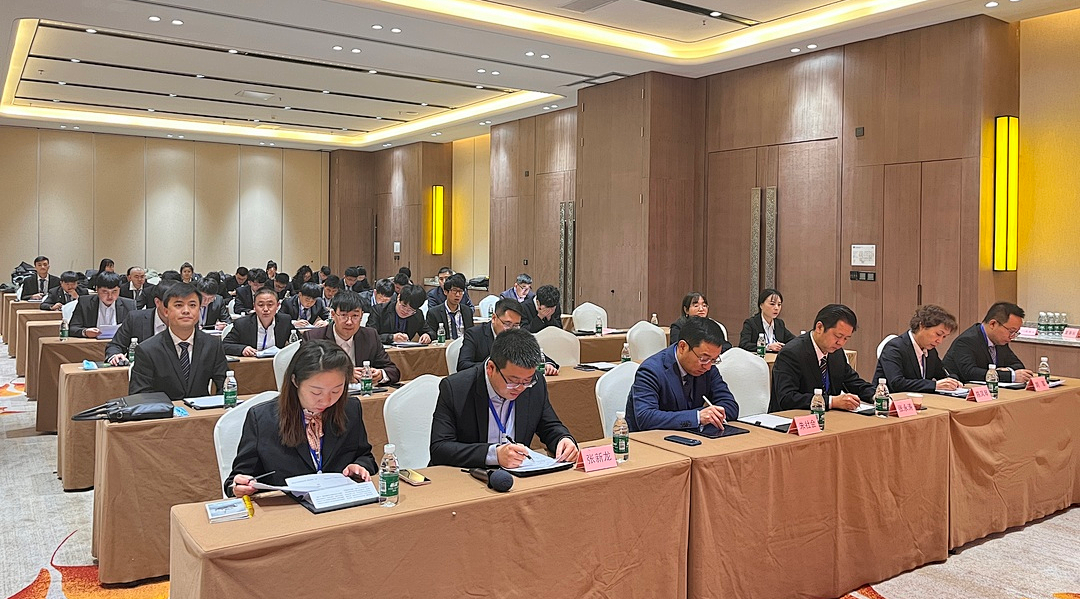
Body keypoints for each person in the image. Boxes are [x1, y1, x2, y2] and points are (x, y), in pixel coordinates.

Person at [227, 340, 377, 496]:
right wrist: (239, 486)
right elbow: (237, 479)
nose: (326, 400)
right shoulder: (262, 418)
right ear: (295, 381)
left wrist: (359, 466)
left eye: (336, 391)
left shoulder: (350, 409)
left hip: (339, 502)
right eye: (316, 392)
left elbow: (365, 456)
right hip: (288, 507)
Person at [429, 328, 579, 468]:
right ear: (491, 368)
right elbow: (440, 448)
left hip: (518, 474)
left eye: (527, 381)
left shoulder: (535, 384)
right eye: (513, 381)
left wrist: (563, 439)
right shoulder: (456, 388)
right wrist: (494, 455)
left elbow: (549, 426)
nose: (520, 387)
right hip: (468, 474)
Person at [625, 318, 739, 431]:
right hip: (650, 440)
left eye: (714, 360)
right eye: (704, 359)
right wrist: (697, 417)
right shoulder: (651, 370)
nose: (708, 366)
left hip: (692, 437)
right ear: (682, 347)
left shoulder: (709, 368)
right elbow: (646, 418)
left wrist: (709, 414)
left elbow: (730, 406)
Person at [128, 282, 228, 399]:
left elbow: (225, 386)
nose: (186, 311)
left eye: (192, 305)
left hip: (201, 409)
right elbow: (139, 395)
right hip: (164, 410)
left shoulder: (213, 345)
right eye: (179, 305)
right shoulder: (147, 350)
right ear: (166, 311)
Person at [770, 304, 875, 412]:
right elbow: (787, 398)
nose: (840, 343)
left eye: (846, 338)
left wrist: (875, 395)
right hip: (790, 418)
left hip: (828, 417)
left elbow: (853, 382)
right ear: (819, 327)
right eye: (838, 336)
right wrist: (831, 401)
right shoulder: (791, 353)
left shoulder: (836, 353)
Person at [303, 291, 400, 384]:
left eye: (355, 316)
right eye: (344, 315)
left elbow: (392, 371)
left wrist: (380, 374)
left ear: (361, 316)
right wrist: (344, 375)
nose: (349, 322)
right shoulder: (314, 338)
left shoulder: (370, 336)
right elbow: (304, 372)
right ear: (333, 315)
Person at [874, 304, 962, 393]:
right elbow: (897, 383)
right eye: (938, 334)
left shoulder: (930, 351)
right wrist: (934, 385)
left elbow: (942, 374)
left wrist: (952, 381)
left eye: (944, 337)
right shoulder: (894, 347)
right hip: (891, 399)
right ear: (922, 326)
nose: (939, 341)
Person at [943, 302, 1034, 384]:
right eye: (1011, 331)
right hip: (963, 391)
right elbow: (970, 373)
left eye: (1015, 333)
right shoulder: (966, 341)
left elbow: (1018, 365)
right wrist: (1010, 376)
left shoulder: (1000, 341)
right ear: (992, 324)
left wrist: (1007, 370)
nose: (1012, 336)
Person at [106, 280, 174, 365]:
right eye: (172, 304)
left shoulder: (187, 321)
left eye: (180, 305)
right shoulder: (135, 319)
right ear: (157, 302)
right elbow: (115, 345)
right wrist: (115, 356)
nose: (178, 309)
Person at [223, 287, 296, 356]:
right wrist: (242, 349)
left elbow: (299, 342)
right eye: (261, 305)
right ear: (254, 306)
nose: (265, 309)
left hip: (276, 362)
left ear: (277, 305)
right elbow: (224, 345)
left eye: (270, 305)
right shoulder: (242, 324)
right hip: (252, 362)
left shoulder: (285, 321)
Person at [68, 272, 136, 338]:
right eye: (105, 292)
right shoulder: (84, 303)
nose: (110, 296)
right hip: (92, 343)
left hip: (119, 343)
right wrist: (85, 332)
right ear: (97, 289)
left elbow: (136, 329)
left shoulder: (129, 305)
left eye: (114, 291)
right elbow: (72, 328)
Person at [739, 288, 796, 353]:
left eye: (779, 305)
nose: (776, 308)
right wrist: (767, 347)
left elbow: (793, 341)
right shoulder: (751, 323)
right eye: (772, 304)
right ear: (761, 305)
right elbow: (744, 345)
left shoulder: (779, 324)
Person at [426, 273, 474, 340]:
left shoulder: (467, 311)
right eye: (454, 291)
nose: (458, 295)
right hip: (445, 345)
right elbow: (432, 334)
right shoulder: (434, 313)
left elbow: (471, 333)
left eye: (460, 291)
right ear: (445, 292)